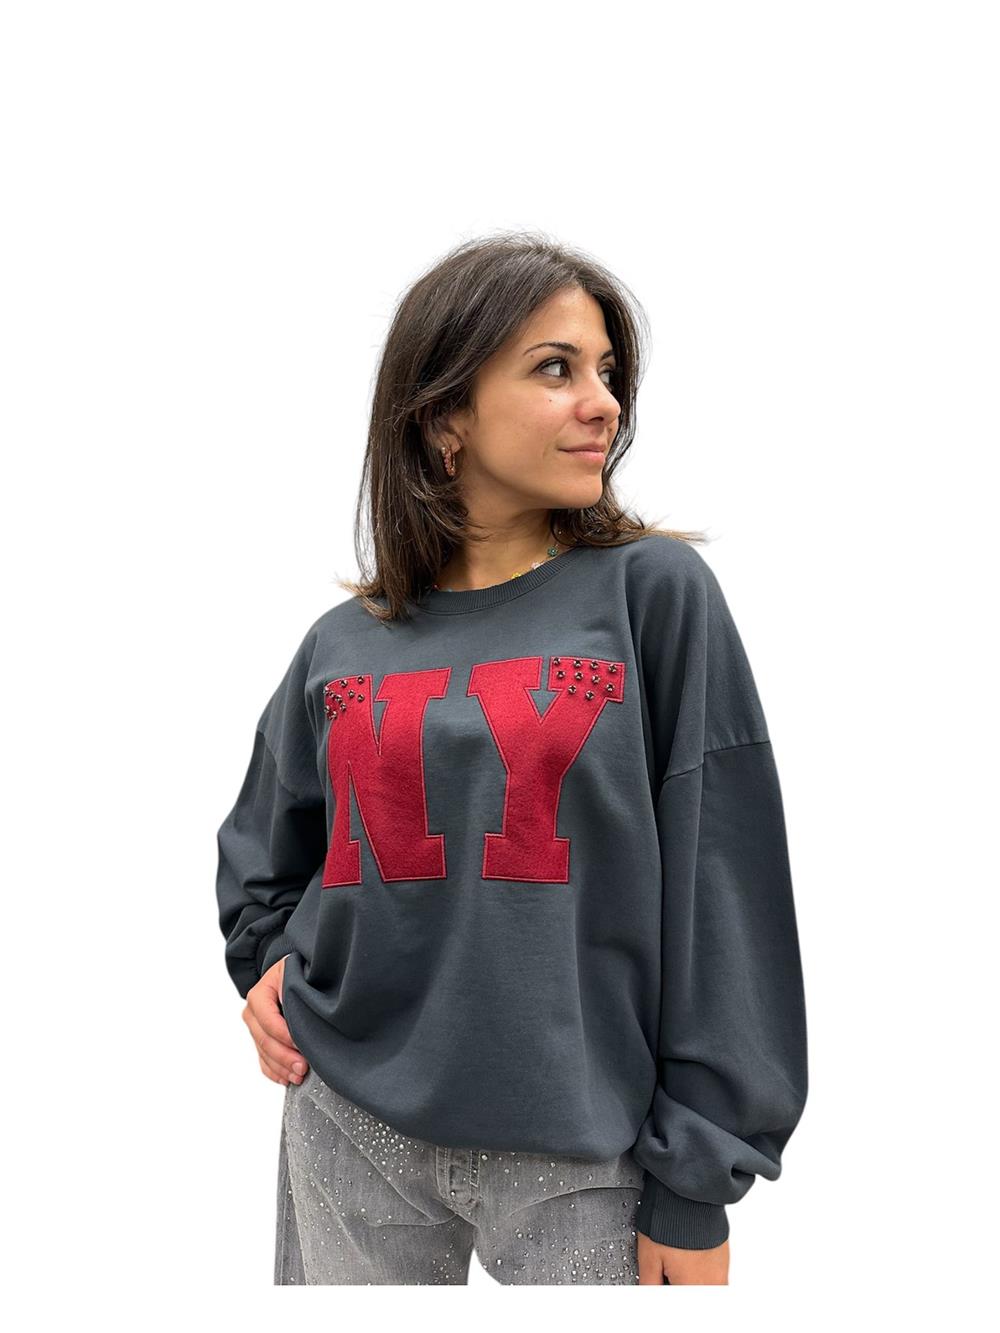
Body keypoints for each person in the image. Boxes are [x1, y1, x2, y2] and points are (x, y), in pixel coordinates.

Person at [215, 231, 808, 1286]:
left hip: (585, 1139)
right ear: (445, 416)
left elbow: (723, 890)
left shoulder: (652, 595)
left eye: (607, 372)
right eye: (555, 368)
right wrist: (267, 963)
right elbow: (268, 848)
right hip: (349, 1120)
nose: (603, 403)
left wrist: (696, 1178)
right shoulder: (343, 642)